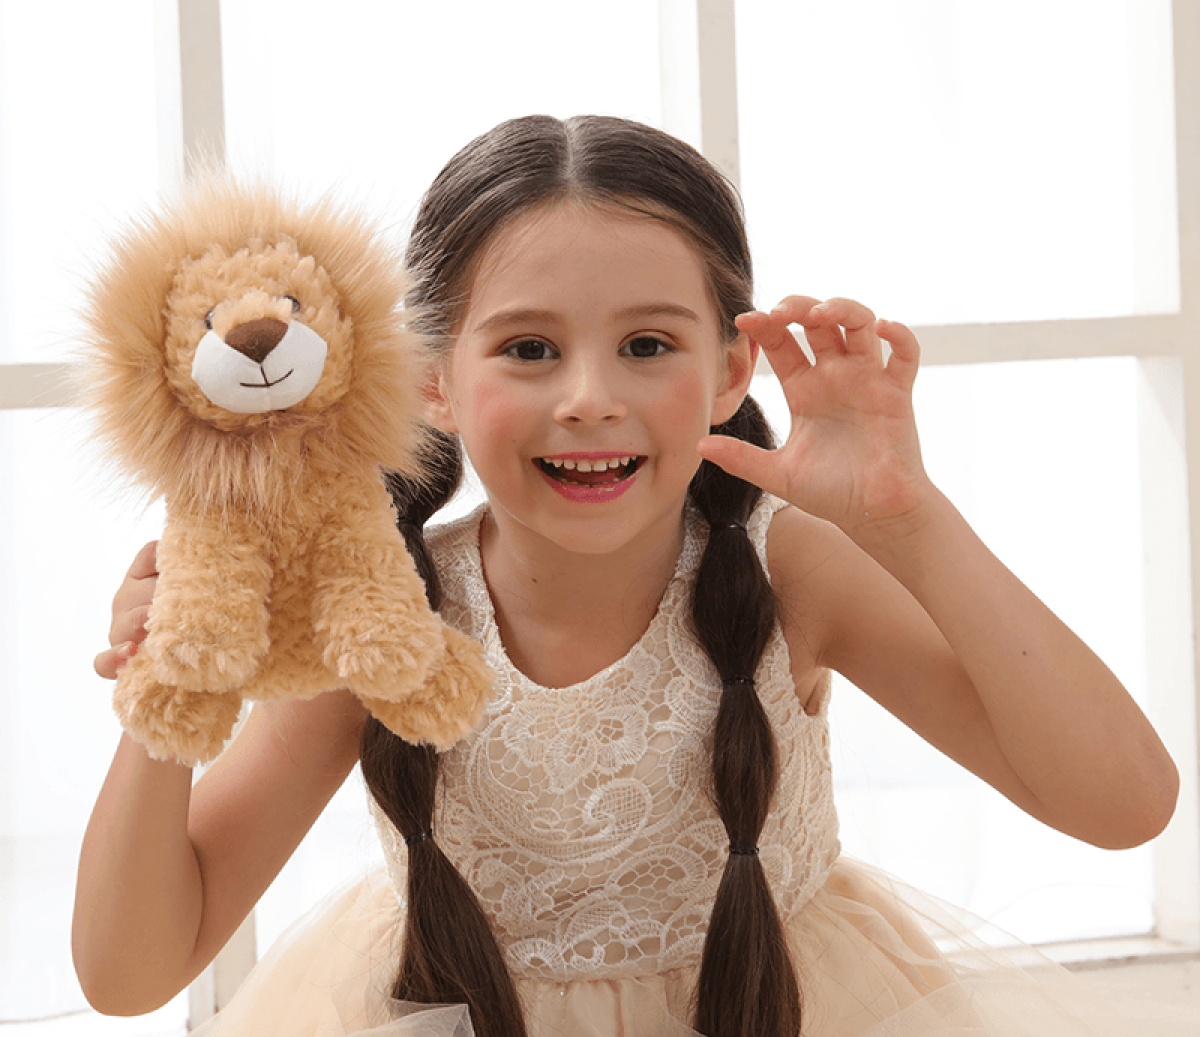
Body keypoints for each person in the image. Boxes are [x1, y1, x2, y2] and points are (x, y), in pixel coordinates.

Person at [73, 115, 1191, 1037]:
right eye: (529, 349)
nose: (590, 399)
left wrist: (910, 522)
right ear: (430, 381)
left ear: (731, 369)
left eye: (648, 346)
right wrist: (168, 682)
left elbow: (1124, 805)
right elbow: (129, 974)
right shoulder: (386, 625)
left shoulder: (794, 569)